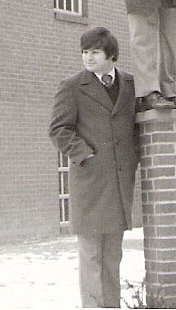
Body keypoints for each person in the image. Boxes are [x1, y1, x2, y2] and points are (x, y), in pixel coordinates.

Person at [48, 27, 138, 308]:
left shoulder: (130, 83)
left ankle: (112, 305)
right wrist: (85, 155)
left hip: (119, 184)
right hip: (90, 184)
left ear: (110, 54)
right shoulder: (72, 86)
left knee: (113, 255)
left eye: (94, 52)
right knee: (90, 256)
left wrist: (133, 157)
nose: (88, 57)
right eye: (84, 52)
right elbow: (59, 129)